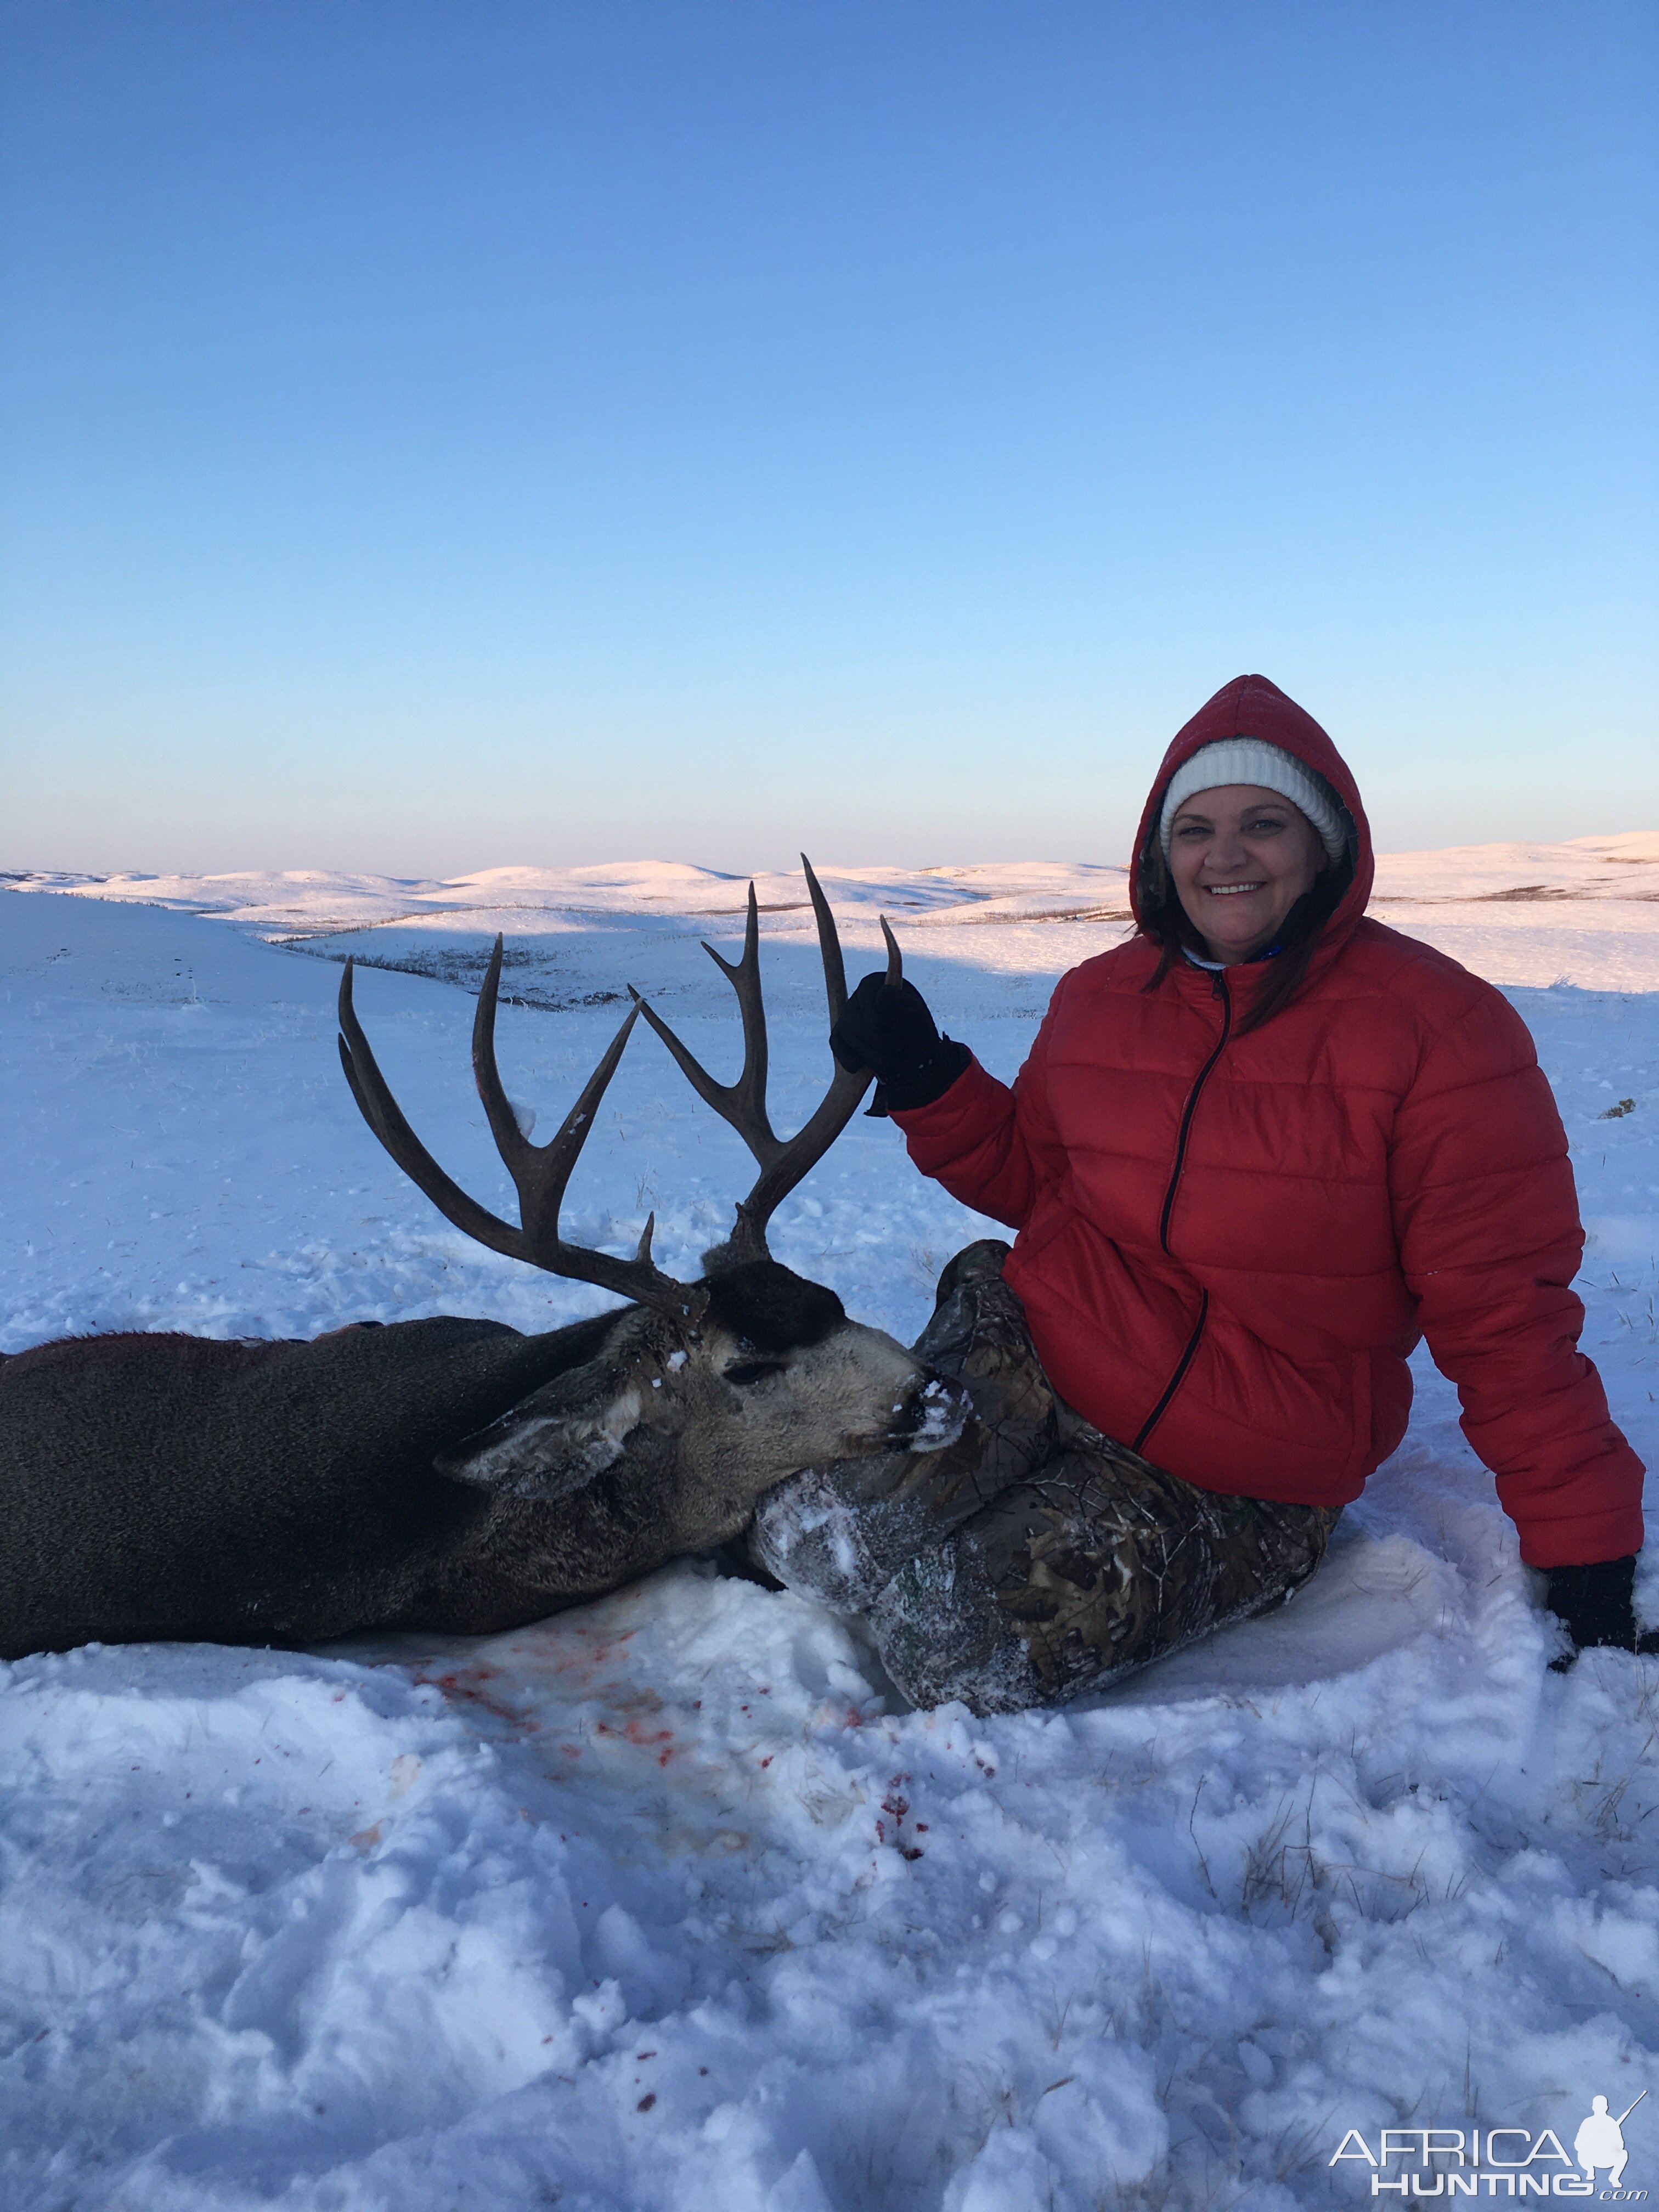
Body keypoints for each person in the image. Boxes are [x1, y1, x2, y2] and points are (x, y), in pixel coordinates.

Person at [823, 673, 1650, 1712]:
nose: (1224, 856)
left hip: (1241, 1464)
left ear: (1325, 844)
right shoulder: (1099, 995)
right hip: (1043, 1342)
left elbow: (1504, 1318)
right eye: (1195, 827)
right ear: (1158, 852)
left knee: (943, 1637)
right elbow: (1041, 1184)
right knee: (824, 1531)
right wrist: (931, 1082)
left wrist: (1586, 1547)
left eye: (1264, 824)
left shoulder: (1442, 1031)